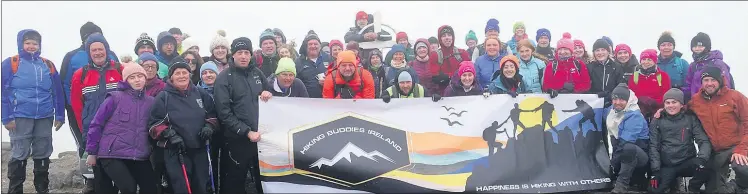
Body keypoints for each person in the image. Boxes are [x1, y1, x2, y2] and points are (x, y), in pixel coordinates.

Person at [3, 29, 65, 194]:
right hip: (20, 115)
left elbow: (58, 92)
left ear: (40, 45)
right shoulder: (10, 63)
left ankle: (42, 189)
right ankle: (15, 190)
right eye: (28, 43)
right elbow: (2, 92)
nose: (31, 46)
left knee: (43, 151)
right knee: (20, 152)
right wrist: (6, 117)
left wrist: (60, 115)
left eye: (35, 43)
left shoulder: (48, 65)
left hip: (44, 116)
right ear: (21, 44)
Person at [84, 63, 158, 194]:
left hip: (139, 154)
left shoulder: (151, 102)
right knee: (128, 188)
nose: (137, 80)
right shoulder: (114, 97)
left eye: (140, 76)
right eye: (132, 77)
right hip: (112, 153)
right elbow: (96, 124)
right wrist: (92, 152)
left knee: (151, 188)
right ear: (126, 80)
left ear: (145, 78)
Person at [214, 37, 272, 194]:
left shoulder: (257, 73)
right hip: (237, 140)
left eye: (247, 52)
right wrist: (246, 131)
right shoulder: (224, 78)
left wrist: (268, 94)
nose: (244, 56)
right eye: (240, 52)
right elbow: (224, 113)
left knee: (264, 180)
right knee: (235, 182)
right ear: (233, 55)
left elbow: (269, 97)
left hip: (261, 138)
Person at [148, 61, 217, 194]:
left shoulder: (200, 93)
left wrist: (209, 126)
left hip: (200, 147)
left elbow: (212, 115)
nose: (181, 76)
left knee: (201, 185)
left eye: (184, 72)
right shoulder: (164, 97)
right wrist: (169, 134)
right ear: (171, 77)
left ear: (190, 75)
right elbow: (154, 124)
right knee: (182, 187)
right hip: (176, 150)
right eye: (177, 73)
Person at [70, 33, 124, 194]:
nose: (98, 52)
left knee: (121, 169)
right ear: (89, 52)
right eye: (94, 50)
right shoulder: (81, 74)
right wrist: (85, 129)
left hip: (118, 128)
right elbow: (77, 106)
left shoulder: (119, 69)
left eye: (101, 48)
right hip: (94, 130)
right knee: (100, 173)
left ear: (107, 50)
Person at [60, 22, 118, 162]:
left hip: (111, 109)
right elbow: (65, 84)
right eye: (91, 35)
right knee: (85, 143)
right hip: (82, 109)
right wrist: (73, 107)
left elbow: (120, 77)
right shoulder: (71, 56)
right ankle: (89, 178)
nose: (97, 52)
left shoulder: (112, 55)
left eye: (99, 35)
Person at [683, 67, 748, 193]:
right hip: (717, 152)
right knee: (716, 191)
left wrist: (742, 149)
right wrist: (663, 110)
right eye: (706, 80)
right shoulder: (697, 100)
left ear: (720, 81)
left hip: (737, 146)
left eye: (713, 79)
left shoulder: (735, 96)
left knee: (743, 168)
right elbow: (682, 110)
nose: (709, 83)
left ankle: (739, 184)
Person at [648, 88, 711, 193]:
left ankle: (693, 188)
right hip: (668, 164)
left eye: (674, 102)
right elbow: (653, 146)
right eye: (667, 102)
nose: (671, 105)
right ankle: (673, 184)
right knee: (654, 190)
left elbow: (703, 141)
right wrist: (655, 170)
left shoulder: (690, 118)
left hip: (687, 161)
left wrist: (702, 158)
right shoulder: (657, 120)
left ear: (681, 104)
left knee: (707, 166)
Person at [603, 84, 650, 193]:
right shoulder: (611, 111)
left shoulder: (634, 115)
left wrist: (613, 163)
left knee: (628, 148)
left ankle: (621, 186)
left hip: (639, 156)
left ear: (628, 100)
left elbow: (626, 142)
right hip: (621, 153)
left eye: (622, 99)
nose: (617, 102)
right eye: (615, 99)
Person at [683, 32, 734, 100]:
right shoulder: (693, 66)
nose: (697, 48)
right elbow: (688, 86)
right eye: (694, 46)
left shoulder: (718, 63)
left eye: (700, 46)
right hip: (697, 103)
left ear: (707, 47)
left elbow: (726, 85)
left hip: (716, 103)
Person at [429, 25, 471, 96]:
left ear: (453, 37)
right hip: (442, 95)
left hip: (462, 94)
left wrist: (448, 77)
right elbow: (434, 78)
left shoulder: (462, 53)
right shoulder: (435, 55)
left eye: (449, 35)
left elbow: (470, 74)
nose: (447, 38)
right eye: (444, 36)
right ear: (440, 39)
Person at [587, 38, 625, 105]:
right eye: (597, 50)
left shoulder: (617, 67)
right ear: (594, 53)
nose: (600, 53)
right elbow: (586, 86)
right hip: (594, 103)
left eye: (603, 50)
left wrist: (610, 95)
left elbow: (621, 86)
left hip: (612, 103)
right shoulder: (589, 67)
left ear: (608, 51)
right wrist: (595, 95)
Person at [295, 30, 331, 98]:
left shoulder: (328, 58)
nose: (313, 46)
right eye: (310, 44)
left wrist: (328, 82)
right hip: (306, 102)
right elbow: (295, 83)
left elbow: (336, 77)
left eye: (316, 44)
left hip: (326, 101)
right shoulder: (298, 62)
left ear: (320, 46)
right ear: (306, 46)